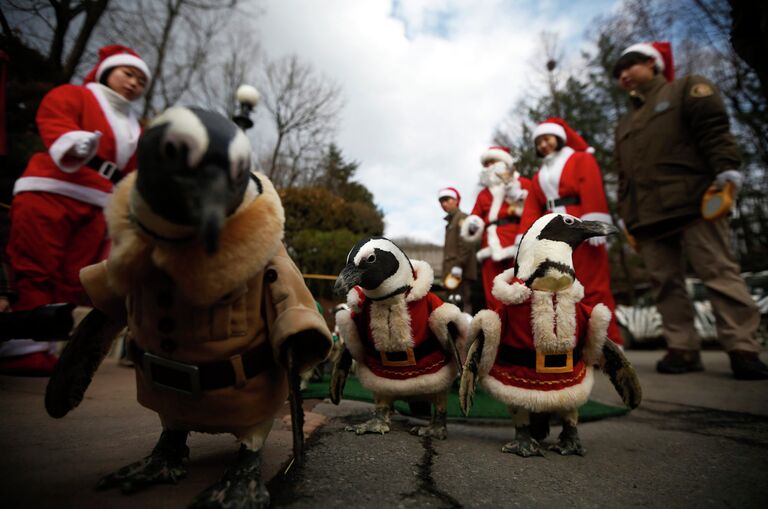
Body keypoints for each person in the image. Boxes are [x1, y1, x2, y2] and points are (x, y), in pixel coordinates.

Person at [612, 41, 767, 379]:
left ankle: (742, 347)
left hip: (695, 201)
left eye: (631, 65)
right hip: (647, 214)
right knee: (664, 282)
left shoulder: (686, 89)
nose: (624, 74)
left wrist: (726, 170)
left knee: (718, 272)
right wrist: (627, 216)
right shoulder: (624, 122)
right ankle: (681, 347)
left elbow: (714, 130)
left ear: (653, 63)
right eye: (618, 72)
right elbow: (624, 175)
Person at [0, 45, 150, 375]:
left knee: (75, 277)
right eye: (128, 74)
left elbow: (136, 170)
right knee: (37, 266)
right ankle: (22, 346)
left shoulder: (133, 126)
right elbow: (53, 117)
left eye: (141, 80)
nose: (134, 83)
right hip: (51, 190)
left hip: (99, 205)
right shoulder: (76, 95)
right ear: (107, 71)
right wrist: (70, 140)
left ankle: (46, 345)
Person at [518, 117, 623, 346]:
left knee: (594, 283)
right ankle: (574, 340)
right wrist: (526, 236)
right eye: (539, 142)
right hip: (553, 231)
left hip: (579, 222)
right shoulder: (539, 175)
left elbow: (592, 186)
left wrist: (594, 220)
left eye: (546, 139)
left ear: (558, 137)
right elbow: (532, 206)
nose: (543, 145)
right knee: (561, 283)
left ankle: (609, 341)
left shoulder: (581, 159)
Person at [461, 146, 530, 310]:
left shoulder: (522, 184)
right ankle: (496, 330)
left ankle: (519, 330)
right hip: (490, 245)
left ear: (505, 162)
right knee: (493, 292)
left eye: (493, 161)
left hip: (516, 239)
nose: (489, 166)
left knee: (520, 287)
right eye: (486, 164)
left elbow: (532, 210)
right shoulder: (483, 194)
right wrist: (473, 224)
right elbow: (476, 215)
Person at [437, 186, 477, 312]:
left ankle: (467, 332)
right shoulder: (450, 222)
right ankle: (457, 331)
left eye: (447, 199)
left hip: (461, 272)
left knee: (463, 302)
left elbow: (467, 242)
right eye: (441, 201)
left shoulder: (463, 217)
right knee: (453, 304)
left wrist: (459, 265)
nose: (444, 204)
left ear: (455, 200)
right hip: (451, 271)